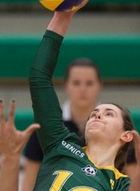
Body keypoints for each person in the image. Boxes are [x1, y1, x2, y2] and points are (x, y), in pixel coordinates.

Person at [0, 0, 140, 191]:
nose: (97, 115)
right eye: (95, 113)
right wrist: (61, 17)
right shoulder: (60, 144)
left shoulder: (120, 183)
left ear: (126, 135)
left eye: (108, 113)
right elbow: (39, 78)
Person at [22, 57, 102, 191]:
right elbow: (29, 183)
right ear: (66, 86)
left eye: (89, 83)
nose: (82, 89)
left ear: (99, 86)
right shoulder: (46, 127)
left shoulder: (116, 126)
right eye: (76, 83)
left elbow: (132, 182)